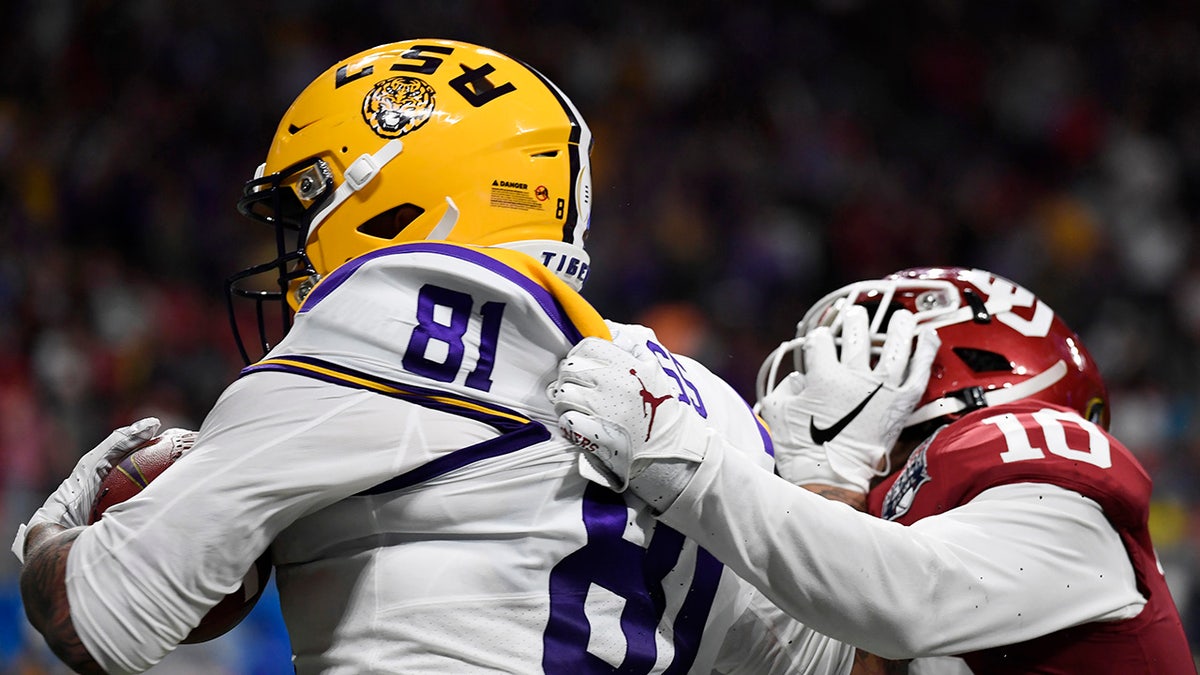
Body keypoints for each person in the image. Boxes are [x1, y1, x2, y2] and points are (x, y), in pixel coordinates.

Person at [12, 38, 888, 674]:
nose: (292, 261)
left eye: (303, 212)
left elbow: (102, 617)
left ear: (395, 192)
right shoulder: (699, 398)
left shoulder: (383, 315)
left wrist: (58, 520)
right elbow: (834, 660)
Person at [551, 266, 1196, 673]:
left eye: (869, 363)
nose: (814, 390)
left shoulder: (1047, 466)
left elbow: (904, 599)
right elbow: (834, 655)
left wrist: (687, 459)